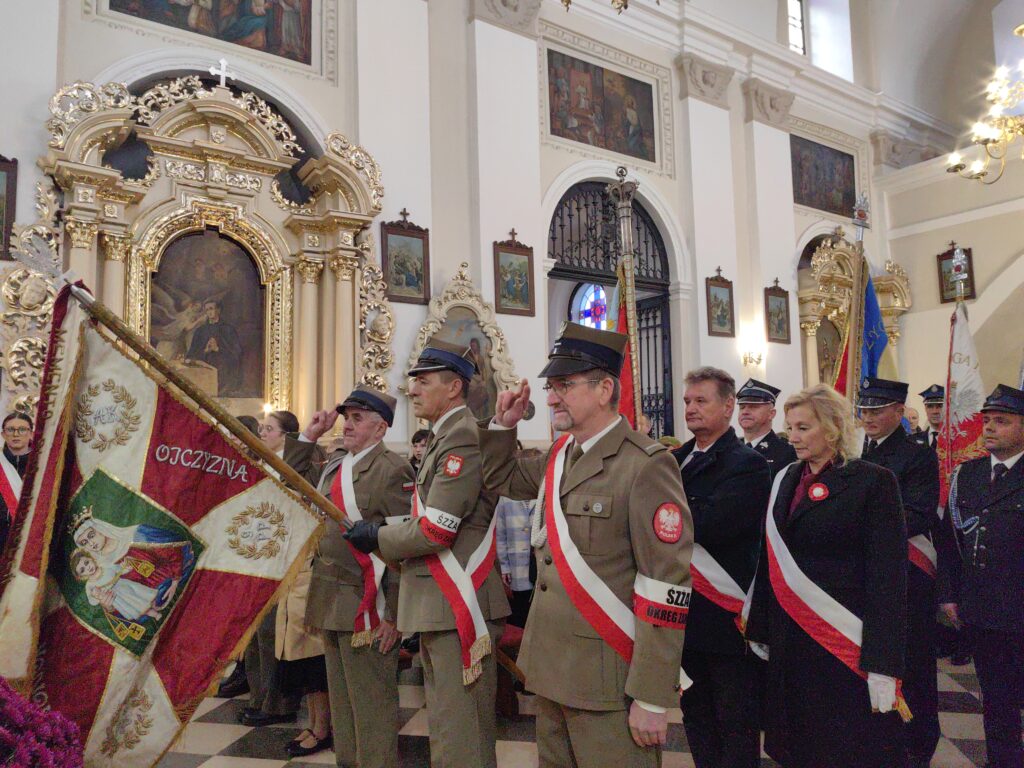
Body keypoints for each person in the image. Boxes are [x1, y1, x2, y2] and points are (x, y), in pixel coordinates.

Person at [480, 322, 693, 768]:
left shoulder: (645, 465)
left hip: (608, 677)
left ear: (604, 390)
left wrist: (652, 696)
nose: (551, 398)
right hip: (551, 669)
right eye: (551, 386)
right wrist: (503, 426)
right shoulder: (560, 456)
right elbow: (500, 478)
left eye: (564, 385)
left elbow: (665, 587)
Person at [344, 337, 510, 768]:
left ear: (453, 387)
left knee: (461, 737)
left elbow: (438, 529)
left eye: (423, 381)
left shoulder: (462, 438)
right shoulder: (444, 436)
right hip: (440, 601)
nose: (412, 389)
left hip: (460, 599)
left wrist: (378, 536)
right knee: (448, 728)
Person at [744, 384, 907, 768]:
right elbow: (770, 558)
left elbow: (888, 578)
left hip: (839, 637)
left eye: (804, 428)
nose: (793, 437)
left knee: (838, 745)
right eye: (790, 428)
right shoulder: (785, 477)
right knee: (792, 741)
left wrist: (884, 662)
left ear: (832, 429)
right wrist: (761, 628)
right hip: (789, 635)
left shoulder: (872, 481)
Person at [302, 386, 413, 767]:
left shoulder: (392, 469)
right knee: (343, 705)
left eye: (357, 419)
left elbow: (402, 546)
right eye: (347, 418)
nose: (347, 425)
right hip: (331, 599)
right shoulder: (338, 462)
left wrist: (394, 615)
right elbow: (294, 480)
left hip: (369, 604)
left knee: (372, 706)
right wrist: (310, 435)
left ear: (380, 428)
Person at [674, 368, 771, 768]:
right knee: (696, 716)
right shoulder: (674, 459)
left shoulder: (747, 463)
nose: (691, 409)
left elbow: (712, 525)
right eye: (687, 401)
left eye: (701, 401)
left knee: (734, 722)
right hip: (682, 609)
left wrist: (667, 515)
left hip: (725, 615)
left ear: (728, 406)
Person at [858, 377, 942, 768]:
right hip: (865, 574)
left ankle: (917, 743)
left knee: (912, 663)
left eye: (877, 410)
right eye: (864, 409)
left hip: (906, 574)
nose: (868, 416)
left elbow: (919, 514)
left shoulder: (916, 455)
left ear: (897, 411)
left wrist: (858, 525)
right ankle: (877, 736)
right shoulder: (854, 452)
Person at [940, 384, 1024, 768]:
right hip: (985, 610)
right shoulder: (969, 474)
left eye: (1001, 421)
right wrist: (949, 594)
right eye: (987, 420)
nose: (989, 428)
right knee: (996, 698)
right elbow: (949, 541)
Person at [240, 410, 322, 728]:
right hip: (260, 557)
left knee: (275, 633)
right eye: (261, 428)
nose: (262, 433)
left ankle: (279, 703)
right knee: (257, 633)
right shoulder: (262, 464)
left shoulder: (297, 465)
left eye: (269, 429)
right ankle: (259, 696)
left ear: (286, 436)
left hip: (287, 558)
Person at [216, 414, 262, 699]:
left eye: (236, 433)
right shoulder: (225, 459)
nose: (231, 438)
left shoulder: (257, 462)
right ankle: (237, 667)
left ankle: (244, 671)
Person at [494, 445, 540, 629]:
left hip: (538, 563)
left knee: (538, 605)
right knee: (520, 608)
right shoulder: (506, 498)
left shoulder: (545, 495)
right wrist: (504, 566)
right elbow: (501, 535)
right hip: (516, 565)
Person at [736, 378, 797, 480]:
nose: (745, 412)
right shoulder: (729, 449)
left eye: (753, 407)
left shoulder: (786, 452)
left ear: (771, 414)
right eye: (742, 407)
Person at [186, 300, 243, 396]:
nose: (209, 312)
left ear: (218, 310)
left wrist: (217, 349)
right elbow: (191, 354)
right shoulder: (200, 331)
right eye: (207, 310)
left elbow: (237, 353)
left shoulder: (228, 329)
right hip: (203, 372)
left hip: (224, 372)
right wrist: (205, 351)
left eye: (211, 309)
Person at [0, 412, 32, 552]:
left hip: (32, 541)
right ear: (3, 434)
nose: (16, 434)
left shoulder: (42, 466)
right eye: (10, 429)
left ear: (31, 433)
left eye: (22, 429)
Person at [912, 385, 944, 450]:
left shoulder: (958, 439)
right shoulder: (913, 441)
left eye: (940, 406)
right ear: (925, 409)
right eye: (930, 406)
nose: (935, 411)